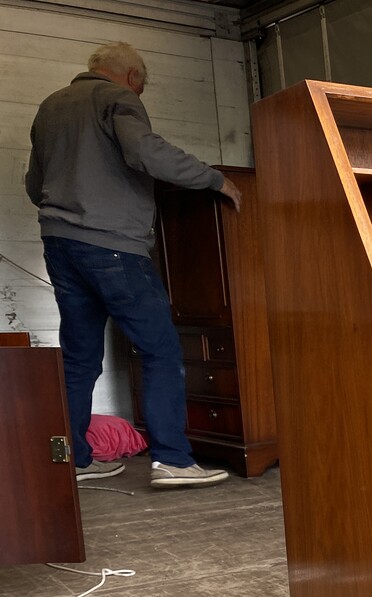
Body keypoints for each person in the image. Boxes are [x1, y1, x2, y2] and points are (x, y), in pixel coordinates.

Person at [25, 42, 240, 489]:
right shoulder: (116, 98)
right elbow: (147, 152)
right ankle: (174, 461)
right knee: (161, 349)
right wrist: (215, 179)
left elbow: (35, 183)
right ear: (133, 78)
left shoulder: (51, 107)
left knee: (80, 359)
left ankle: (76, 459)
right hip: (113, 247)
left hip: (61, 245)